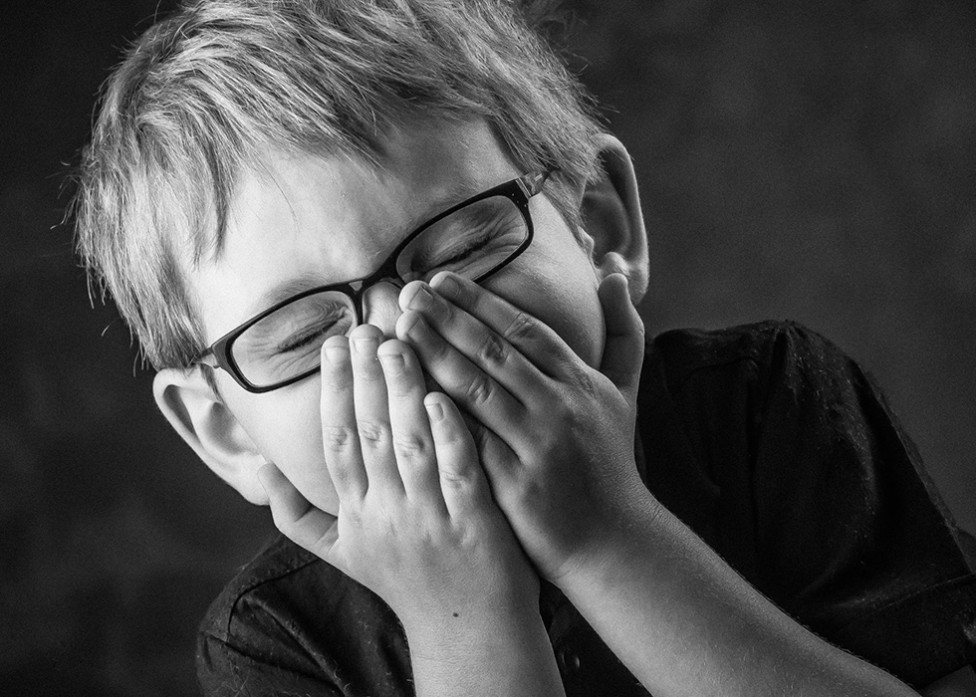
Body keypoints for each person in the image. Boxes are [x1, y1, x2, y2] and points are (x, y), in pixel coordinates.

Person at [72, 1, 976, 695]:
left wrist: (604, 534)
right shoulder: (273, 638)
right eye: (304, 331)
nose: (400, 341)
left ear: (598, 223)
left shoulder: (767, 401)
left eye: (463, 244)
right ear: (224, 429)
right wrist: (463, 617)